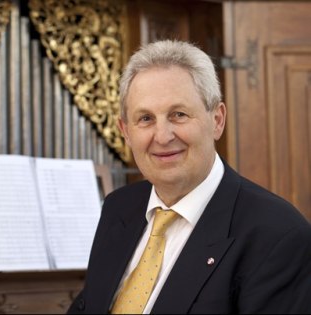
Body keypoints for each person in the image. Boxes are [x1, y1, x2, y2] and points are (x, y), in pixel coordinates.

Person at [68, 40, 311, 314]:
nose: (162, 136)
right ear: (125, 131)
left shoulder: (278, 234)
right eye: (145, 119)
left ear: (217, 120)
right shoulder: (118, 208)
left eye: (179, 115)